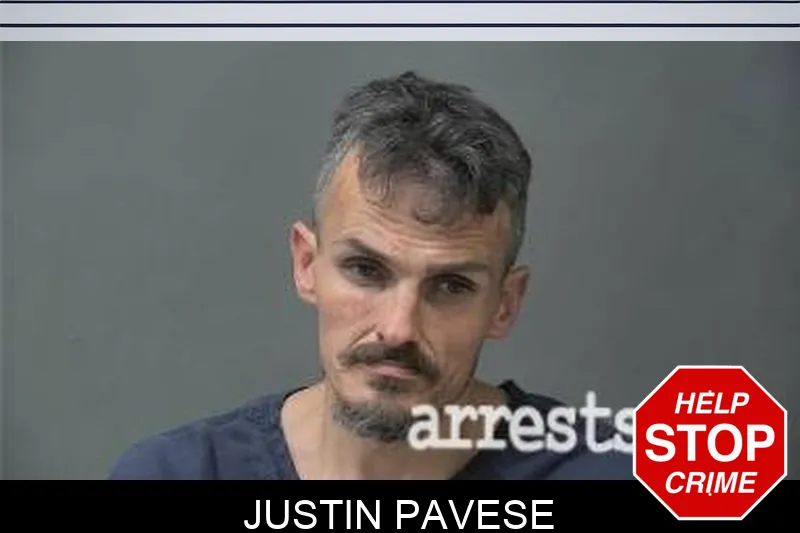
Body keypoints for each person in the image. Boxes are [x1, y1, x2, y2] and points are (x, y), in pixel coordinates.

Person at [109, 71, 632, 480]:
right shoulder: (177, 474)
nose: (399, 329)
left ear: (505, 304)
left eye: (451, 286)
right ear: (307, 264)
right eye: (365, 270)